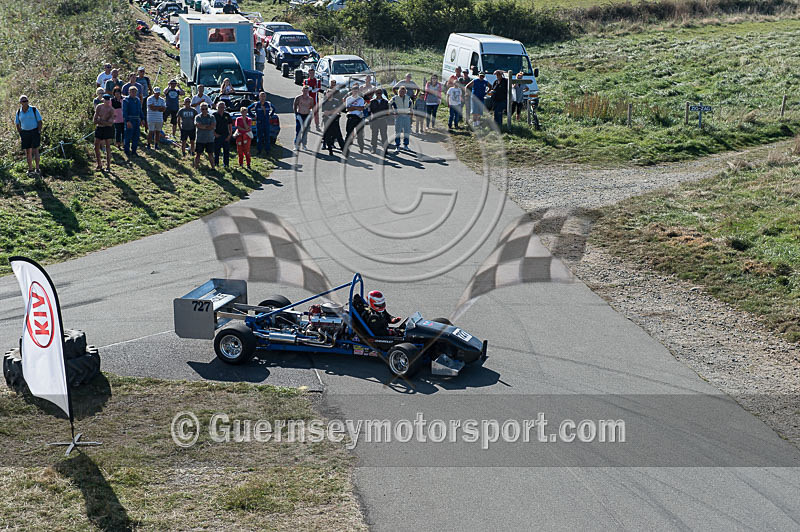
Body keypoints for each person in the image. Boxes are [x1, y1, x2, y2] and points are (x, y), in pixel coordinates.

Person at [14, 95, 43, 176]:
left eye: (26, 100)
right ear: (20, 102)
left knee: (35, 150)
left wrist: (38, 131)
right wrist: (21, 133)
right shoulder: (19, 112)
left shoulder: (33, 109)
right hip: (25, 133)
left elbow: (40, 121)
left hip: (34, 131)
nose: (25, 102)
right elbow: (17, 123)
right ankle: (30, 169)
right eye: (23, 101)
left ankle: (37, 168)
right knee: (28, 152)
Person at [321, 82, 345, 156]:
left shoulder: (336, 101)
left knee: (338, 135)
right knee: (327, 135)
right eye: (328, 93)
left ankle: (344, 149)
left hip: (335, 120)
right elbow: (325, 112)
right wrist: (332, 111)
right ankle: (330, 150)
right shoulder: (324, 102)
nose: (329, 94)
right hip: (327, 120)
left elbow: (338, 111)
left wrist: (331, 112)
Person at [93, 94, 115, 171]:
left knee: (108, 146)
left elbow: (110, 123)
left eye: (108, 100)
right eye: (106, 100)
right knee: (96, 146)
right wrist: (103, 121)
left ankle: (108, 166)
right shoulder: (99, 107)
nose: (107, 101)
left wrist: (101, 121)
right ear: (103, 100)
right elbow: (95, 120)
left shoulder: (111, 109)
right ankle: (99, 164)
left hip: (107, 129)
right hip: (99, 128)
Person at [390, 85, 413, 152]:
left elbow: (411, 105)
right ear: (398, 91)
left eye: (403, 91)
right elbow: (389, 104)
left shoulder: (408, 98)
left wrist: (411, 113)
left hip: (406, 116)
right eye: (401, 91)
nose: (402, 92)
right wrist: (393, 112)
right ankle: (397, 146)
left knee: (407, 131)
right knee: (398, 131)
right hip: (398, 116)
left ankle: (406, 145)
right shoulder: (395, 98)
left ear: (405, 92)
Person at [194, 102, 216, 169]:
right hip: (200, 139)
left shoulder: (211, 117)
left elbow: (212, 126)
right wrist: (207, 126)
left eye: (206, 109)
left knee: (210, 154)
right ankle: (196, 167)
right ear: (200, 109)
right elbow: (198, 125)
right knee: (198, 154)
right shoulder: (197, 117)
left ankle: (213, 167)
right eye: (203, 109)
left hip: (209, 139)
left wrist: (204, 126)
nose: (204, 110)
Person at [344, 84, 365, 155]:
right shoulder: (348, 99)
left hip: (359, 118)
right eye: (354, 90)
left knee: (360, 134)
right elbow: (348, 108)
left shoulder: (361, 99)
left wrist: (353, 107)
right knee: (349, 133)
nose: (355, 92)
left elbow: (362, 108)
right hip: (351, 117)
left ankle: (361, 148)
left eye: (356, 91)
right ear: (351, 91)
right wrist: (356, 107)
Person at [122, 85, 143, 157]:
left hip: (137, 119)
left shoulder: (137, 100)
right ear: (129, 92)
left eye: (135, 92)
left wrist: (142, 119)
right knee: (128, 136)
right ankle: (127, 151)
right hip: (130, 119)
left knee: (136, 136)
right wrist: (127, 121)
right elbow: (124, 112)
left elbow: (140, 110)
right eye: (132, 92)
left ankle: (134, 151)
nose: (134, 93)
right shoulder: (126, 100)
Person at [293, 85, 314, 151]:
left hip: (307, 115)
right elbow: (295, 105)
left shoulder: (310, 99)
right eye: (304, 90)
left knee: (305, 131)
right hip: (300, 114)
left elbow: (313, 107)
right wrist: (296, 114)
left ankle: (304, 145)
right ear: (302, 91)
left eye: (306, 91)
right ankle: (296, 145)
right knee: (298, 130)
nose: (305, 92)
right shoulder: (298, 98)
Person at [212, 101, 232, 168]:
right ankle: (216, 163)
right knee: (216, 151)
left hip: (225, 135)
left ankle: (226, 164)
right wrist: (214, 134)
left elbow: (230, 125)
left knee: (226, 151)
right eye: (220, 107)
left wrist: (230, 135)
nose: (221, 108)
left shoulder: (227, 115)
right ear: (217, 107)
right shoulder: (214, 115)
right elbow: (212, 126)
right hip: (217, 135)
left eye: (223, 107)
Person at [368, 90, 389, 154]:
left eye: (380, 93)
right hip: (374, 120)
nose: (379, 94)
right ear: (375, 93)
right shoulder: (371, 102)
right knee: (374, 135)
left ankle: (385, 149)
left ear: (382, 93)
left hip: (383, 120)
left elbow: (387, 111)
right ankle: (374, 148)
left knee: (384, 135)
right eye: (377, 93)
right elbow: (369, 112)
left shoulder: (385, 102)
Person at [234, 104, 253, 169]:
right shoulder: (238, 119)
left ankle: (248, 164)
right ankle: (241, 164)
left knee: (247, 150)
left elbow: (248, 127)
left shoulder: (249, 119)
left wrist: (244, 121)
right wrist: (245, 129)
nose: (244, 113)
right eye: (243, 112)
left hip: (246, 136)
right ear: (241, 112)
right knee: (240, 151)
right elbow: (238, 127)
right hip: (239, 135)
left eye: (245, 112)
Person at [136, 66, 152, 132]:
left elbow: (150, 87)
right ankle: (138, 127)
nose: (142, 73)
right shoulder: (136, 78)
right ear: (138, 72)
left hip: (145, 97)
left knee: (145, 112)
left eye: (143, 71)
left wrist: (150, 93)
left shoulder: (146, 79)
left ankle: (146, 127)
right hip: (137, 98)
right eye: (141, 71)